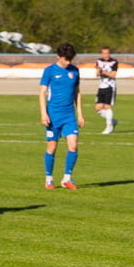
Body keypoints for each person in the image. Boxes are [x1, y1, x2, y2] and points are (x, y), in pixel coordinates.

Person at [39, 42, 84, 190]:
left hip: (69, 114)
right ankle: (49, 178)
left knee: (73, 145)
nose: (68, 62)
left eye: (70, 60)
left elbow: (77, 93)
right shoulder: (49, 71)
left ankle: (67, 178)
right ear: (58, 56)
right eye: (66, 59)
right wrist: (43, 113)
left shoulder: (75, 71)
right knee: (52, 147)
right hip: (53, 114)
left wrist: (80, 114)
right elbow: (42, 93)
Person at [95, 46, 118, 134]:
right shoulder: (99, 61)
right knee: (98, 108)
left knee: (107, 106)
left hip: (110, 86)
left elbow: (113, 75)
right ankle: (112, 120)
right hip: (101, 86)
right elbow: (97, 75)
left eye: (107, 53)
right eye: (104, 53)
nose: (106, 55)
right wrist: (98, 71)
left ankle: (109, 127)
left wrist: (103, 71)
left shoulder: (114, 62)